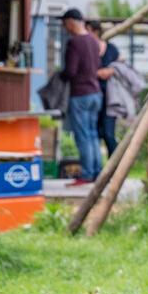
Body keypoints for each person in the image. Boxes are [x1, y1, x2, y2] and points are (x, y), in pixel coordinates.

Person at [58, 9, 105, 183]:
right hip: (95, 93)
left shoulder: (75, 43)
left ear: (71, 22)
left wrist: (59, 76)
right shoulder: (94, 41)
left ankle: (86, 174)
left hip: (80, 94)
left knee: (82, 136)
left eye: (64, 24)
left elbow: (70, 71)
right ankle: (96, 171)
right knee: (92, 134)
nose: (64, 28)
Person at [90, 21, 120, 159]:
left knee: (109, 134)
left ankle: (114, 168)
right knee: (94, 133)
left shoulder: (112, 49)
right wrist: (96, 73)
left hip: (110, 97)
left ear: (96, 32)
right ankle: (97, 169)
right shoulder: (88, 49)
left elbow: (121, 68)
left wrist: (111, 71)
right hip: (93, 96)